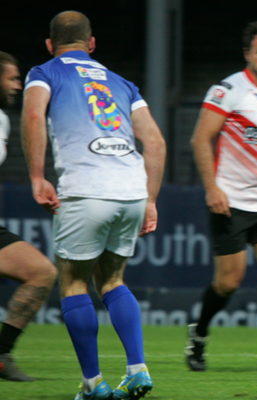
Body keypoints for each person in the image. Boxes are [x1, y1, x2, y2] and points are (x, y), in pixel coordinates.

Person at [22, 11, 165, 400]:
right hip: (131, 190)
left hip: (86, 189)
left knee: (73, 284)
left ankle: (93, 384)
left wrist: (37, 176)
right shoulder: (122, 83)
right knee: (113, 281)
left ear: (50, 45)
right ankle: (137, 370)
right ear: (92, 44)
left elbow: (33, 114)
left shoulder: (44, 72)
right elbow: (156, 143)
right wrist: (151, 200)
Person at [185, 20, 257, 375]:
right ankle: (199, 334)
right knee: (228, 281)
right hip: (231, 201)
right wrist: (212, 188)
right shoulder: (228, 90)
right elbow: (200, 139)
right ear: (248, 53)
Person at [0, 51, 57, 383]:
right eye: (11, 78)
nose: (18, 85)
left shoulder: (3, 121)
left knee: (41, 272)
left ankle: (1, 354)